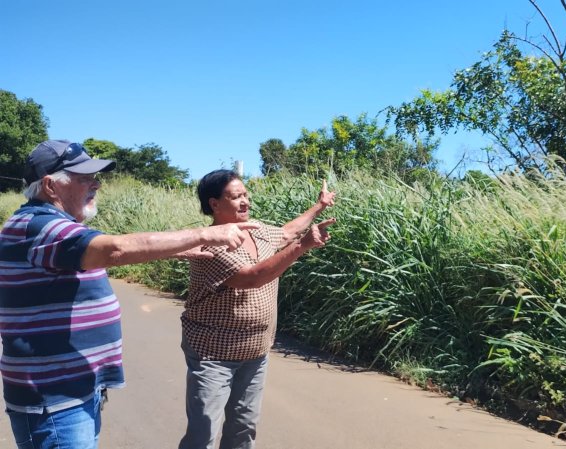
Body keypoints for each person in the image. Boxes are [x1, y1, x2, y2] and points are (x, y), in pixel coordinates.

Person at [0, 140, 258, 449]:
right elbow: (115, 249)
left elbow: (98, 257)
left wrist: (180, 249)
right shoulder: (40, 227)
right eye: (85, 178)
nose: (96, 184)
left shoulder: (52, 228)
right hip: (55, 401)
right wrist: (207, 233)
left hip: (71, 392)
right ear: (51, 186)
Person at [178, 169, 335, 449]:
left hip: (255, 352)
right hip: (213, 354)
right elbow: (251, 277)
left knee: (243, 429)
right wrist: (302, 246)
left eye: (246, 195)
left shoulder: (255, 229)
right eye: (236, 197)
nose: (245, 202)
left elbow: (287, 232)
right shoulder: (208, 244)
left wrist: (319, 206)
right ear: (214, 204)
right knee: (203, 433)